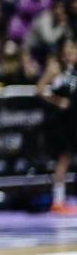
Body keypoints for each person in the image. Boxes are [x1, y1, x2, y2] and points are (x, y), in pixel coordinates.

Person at [38, 38, 77, 214]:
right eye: (68, 51)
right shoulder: (55, 68)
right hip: (57, 121)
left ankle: (61, 199)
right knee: (63, 158)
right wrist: (57, 100)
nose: (71, 54)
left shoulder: (73, 71)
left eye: (73, 51)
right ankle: (58, 201)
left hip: (71, 121)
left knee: (67, 158)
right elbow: (39, 89)